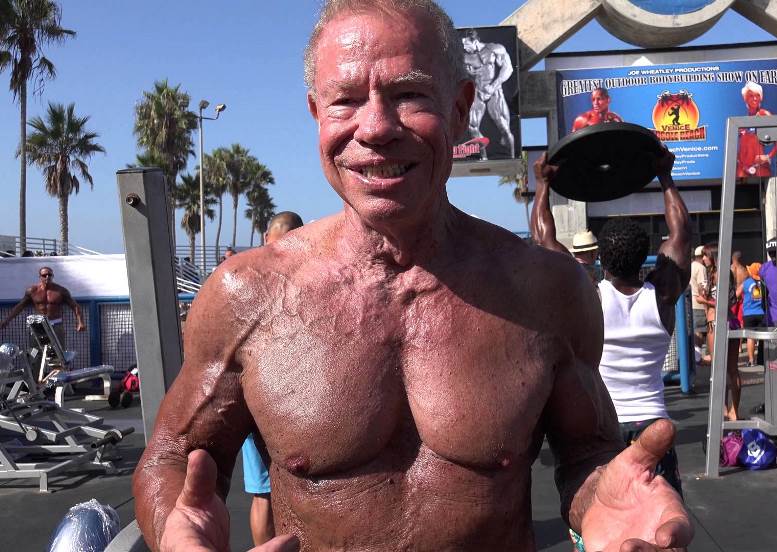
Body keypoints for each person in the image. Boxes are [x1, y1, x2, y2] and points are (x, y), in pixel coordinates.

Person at [133, 2, 693, 551]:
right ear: (315, 114)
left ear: (460, 108)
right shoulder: (247, 295)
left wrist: (604, 498)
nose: (374, 127)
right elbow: (170, 459)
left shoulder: (547, 290)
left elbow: (586, 452)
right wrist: (176, 530)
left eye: (407, 95)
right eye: (345, 100)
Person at [534, 147, 691, 501]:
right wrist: (665, 176)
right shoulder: (663, 298)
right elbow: (681, 234)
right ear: (646, 255)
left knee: (607, 519)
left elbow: (545, 241)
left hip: (604, 428)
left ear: (601, 258)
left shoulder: (591, 297)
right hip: (654, 428)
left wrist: (543, 185)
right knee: (660, 520)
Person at [241, 211, 305, 546]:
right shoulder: (307, 280)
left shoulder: (243, 280)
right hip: (274, 399)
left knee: (265, 491)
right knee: (271, 490)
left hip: (268, 397)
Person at [696, 244, 742, 420]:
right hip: (725, 322)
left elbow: (726, 302)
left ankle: (728, 409)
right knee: (730, 369)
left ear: (713, 257)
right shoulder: (720, 273)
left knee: (722, 369)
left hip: (718, 322)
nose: (703, 259)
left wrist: (704, 300)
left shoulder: (719, 274)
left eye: (706, 256)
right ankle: (731, 410)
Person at [461, 28, 515, 160]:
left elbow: (508, 68)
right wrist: (471, 73)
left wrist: (494, 85)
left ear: (474, 41)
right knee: (472, 126)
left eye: (466, 44)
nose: (464, 47)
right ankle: (484, 156)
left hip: (494, 91)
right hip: (478, 91)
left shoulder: (494, 49)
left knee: (503, 126)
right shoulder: (465, 57)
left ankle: (513, 156)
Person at [0, 266, 86, 348]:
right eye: (44, 275)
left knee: (58, 355)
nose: (47, 277)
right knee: (36, 353)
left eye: (50, 275)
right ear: (40, 277)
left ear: (53, 276)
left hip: (56, 325)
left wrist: (80, 322)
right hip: (39, 325)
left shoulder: (61, 291)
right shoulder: (32, 291)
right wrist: (6, 320)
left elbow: (75, 306)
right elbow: (20, 306)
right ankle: (37, 363)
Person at [736, 81, 777, 178]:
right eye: (751, 96)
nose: (755, 98)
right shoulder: (742, 122)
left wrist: (768, 156)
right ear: (745, 98)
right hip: (742, 168)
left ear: (761, 97)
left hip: (759, 167)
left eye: (757, 95)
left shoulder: (764, 115)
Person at [740, 262, 766, 367]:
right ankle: (763, 359)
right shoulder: (764, 283)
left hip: (749, 314)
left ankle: (751, 360)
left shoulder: (747, 283)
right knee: (763, 337)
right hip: (761, 313)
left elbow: (736, 294)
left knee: (750, 337)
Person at [690, 245, 708, 360]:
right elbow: (703, 288)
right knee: (699, 332)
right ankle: (698, 358)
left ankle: (695, 358)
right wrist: (706, 307)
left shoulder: (689, 266)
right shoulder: (701, 268)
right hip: (699, 305)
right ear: (702, 256)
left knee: (694, 331)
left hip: (689, 304)